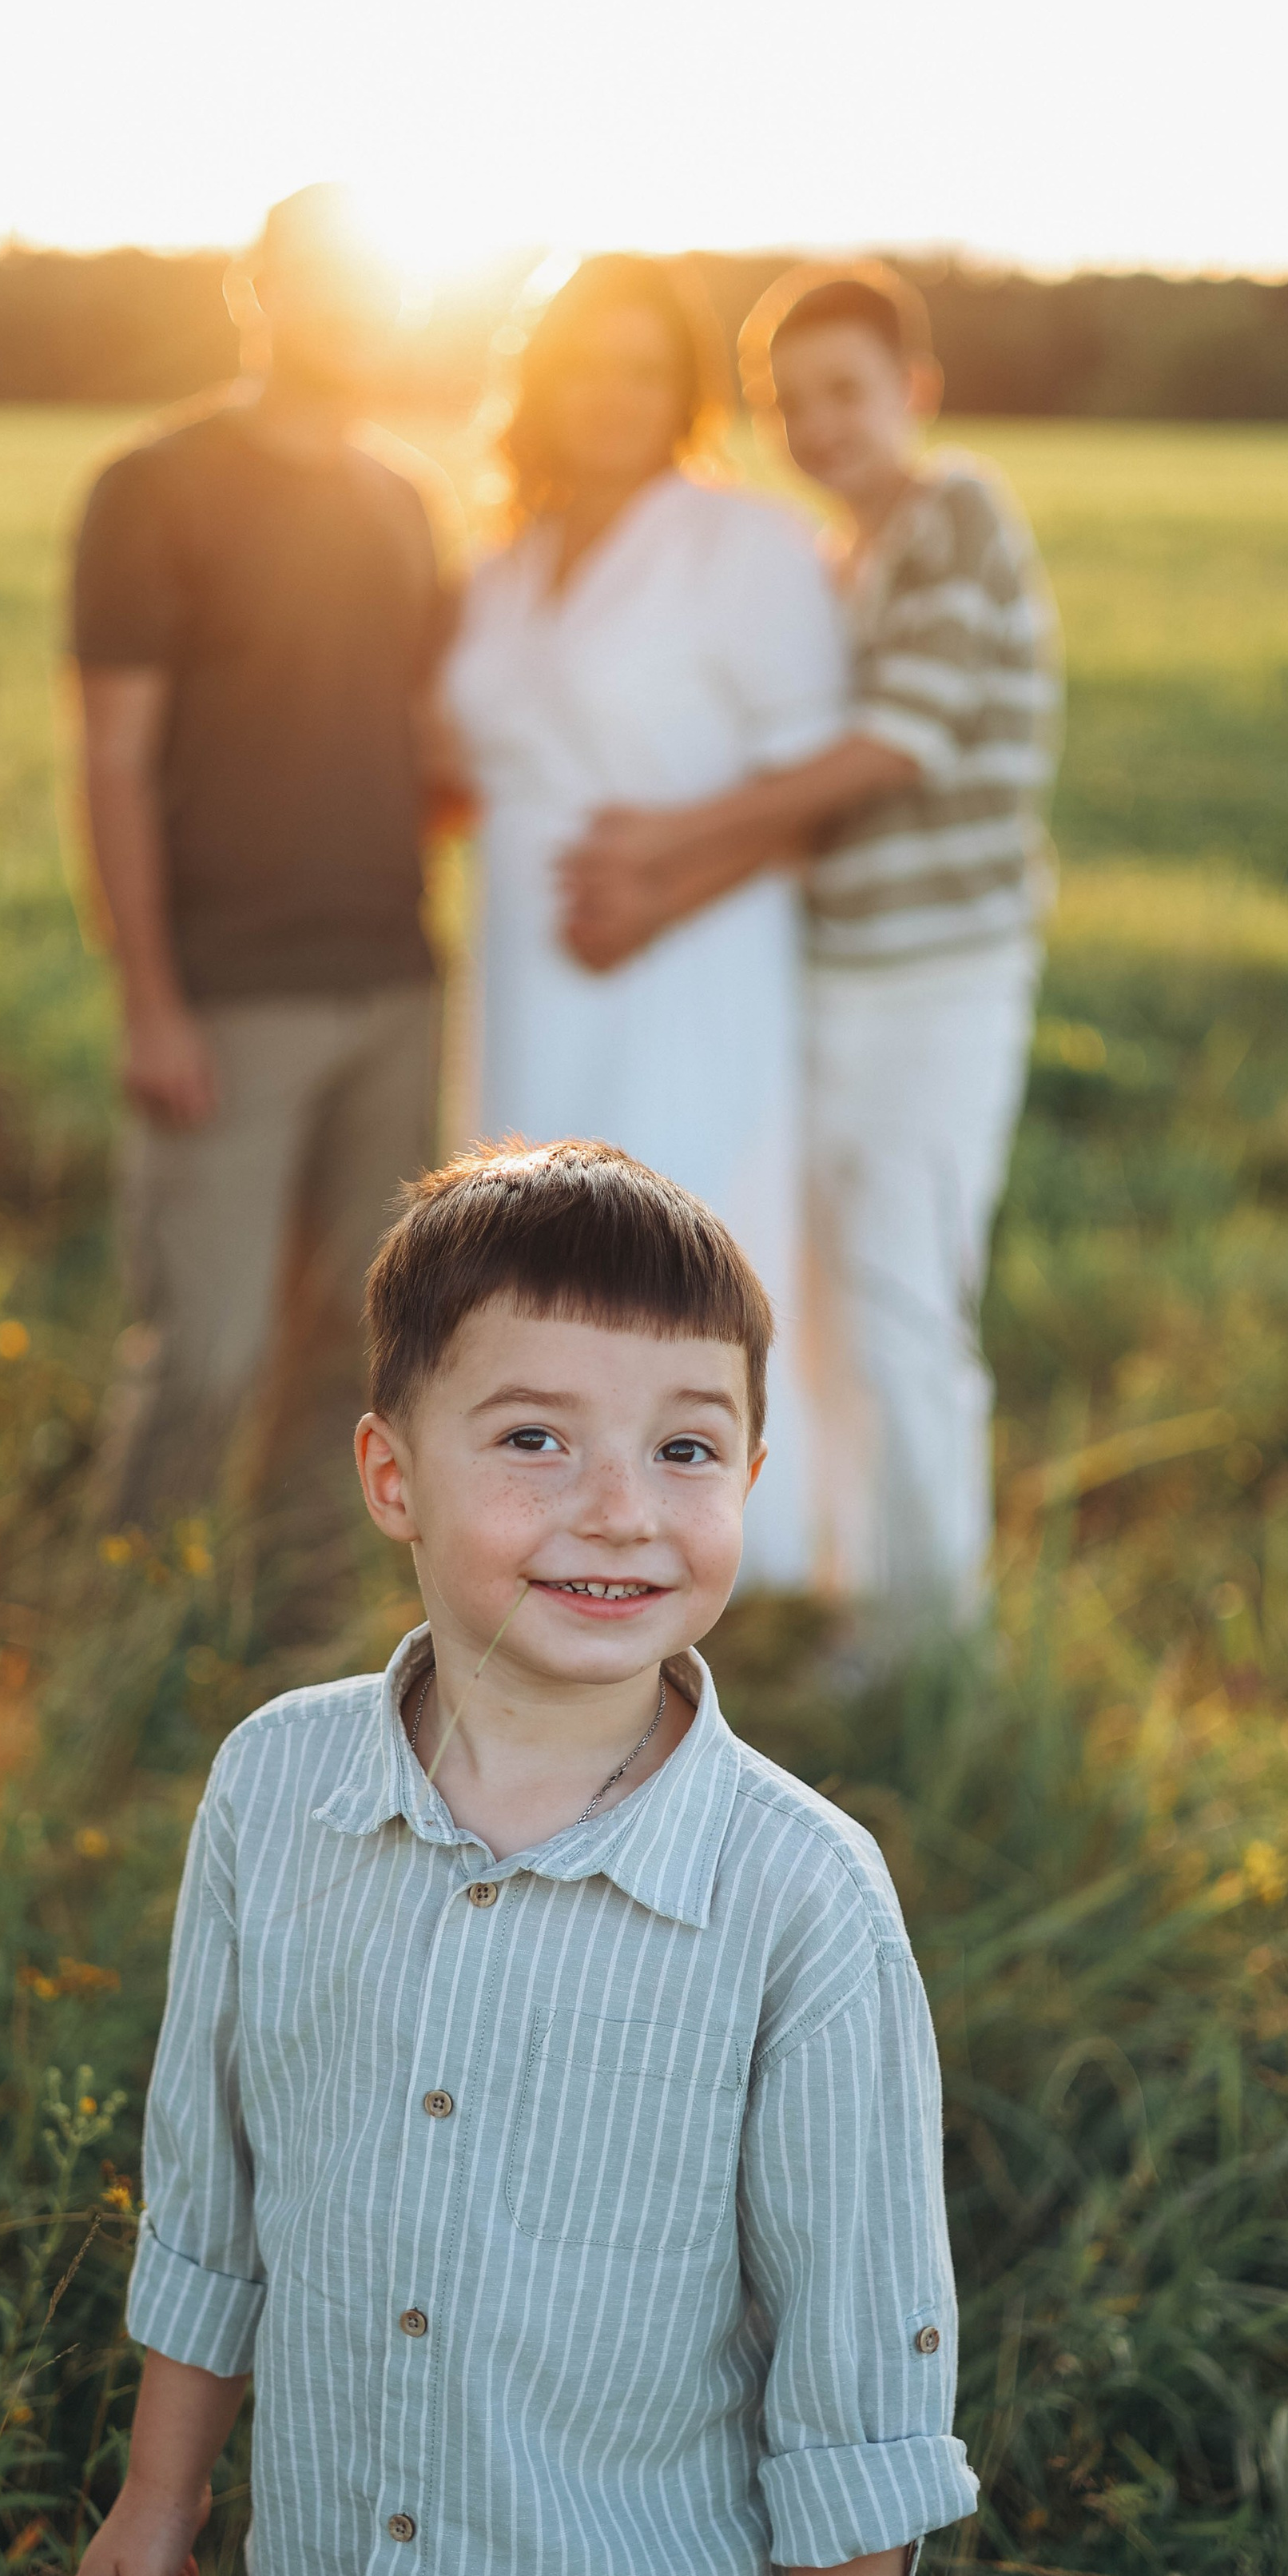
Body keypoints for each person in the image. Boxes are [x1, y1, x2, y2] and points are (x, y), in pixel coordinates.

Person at [75, 1141, 976, 2576]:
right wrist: (165, 2489)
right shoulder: (273, 1792)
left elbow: (861, 2320)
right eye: (534, 1440)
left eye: (686, 1447)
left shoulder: (798, 1895)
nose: (620, 1512)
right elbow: (212, 2181)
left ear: (747, 1469)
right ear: (391, 1473)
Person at [562, 264, 1061, 1632]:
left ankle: (929, 1634)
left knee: (901, 1301)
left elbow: (893, 749)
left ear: (917, 392)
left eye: (848, 393)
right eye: (792, 403)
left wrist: (667, 839)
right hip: (844, 978)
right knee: (831, 1298)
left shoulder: (955, 512)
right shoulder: (849, 553)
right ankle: (860, 1583)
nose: (821, 426)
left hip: (939, 982)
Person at [440, 257, 849, 1591]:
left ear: (682, 391)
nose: (611, 398)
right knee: (529, 1242)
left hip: (689, 954)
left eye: (643, 369)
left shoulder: (742, 544)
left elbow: (812, 780)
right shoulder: (507, 561)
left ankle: (715, 1542)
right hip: (519, 958)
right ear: (539, 383)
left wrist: (660, 890)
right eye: (584, 366)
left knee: (678, 1229)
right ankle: (542, 1516)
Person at [70, 183, 449, 1523]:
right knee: (209, 1351)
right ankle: (127, 1637)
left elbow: (418, 741)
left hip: (397, 986)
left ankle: (280, 1636)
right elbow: (112, 759)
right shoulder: (151, 487)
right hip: (226, 1001)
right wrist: (150, 1003)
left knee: (360, 1363)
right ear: (258, 289)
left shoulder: (407, 501)